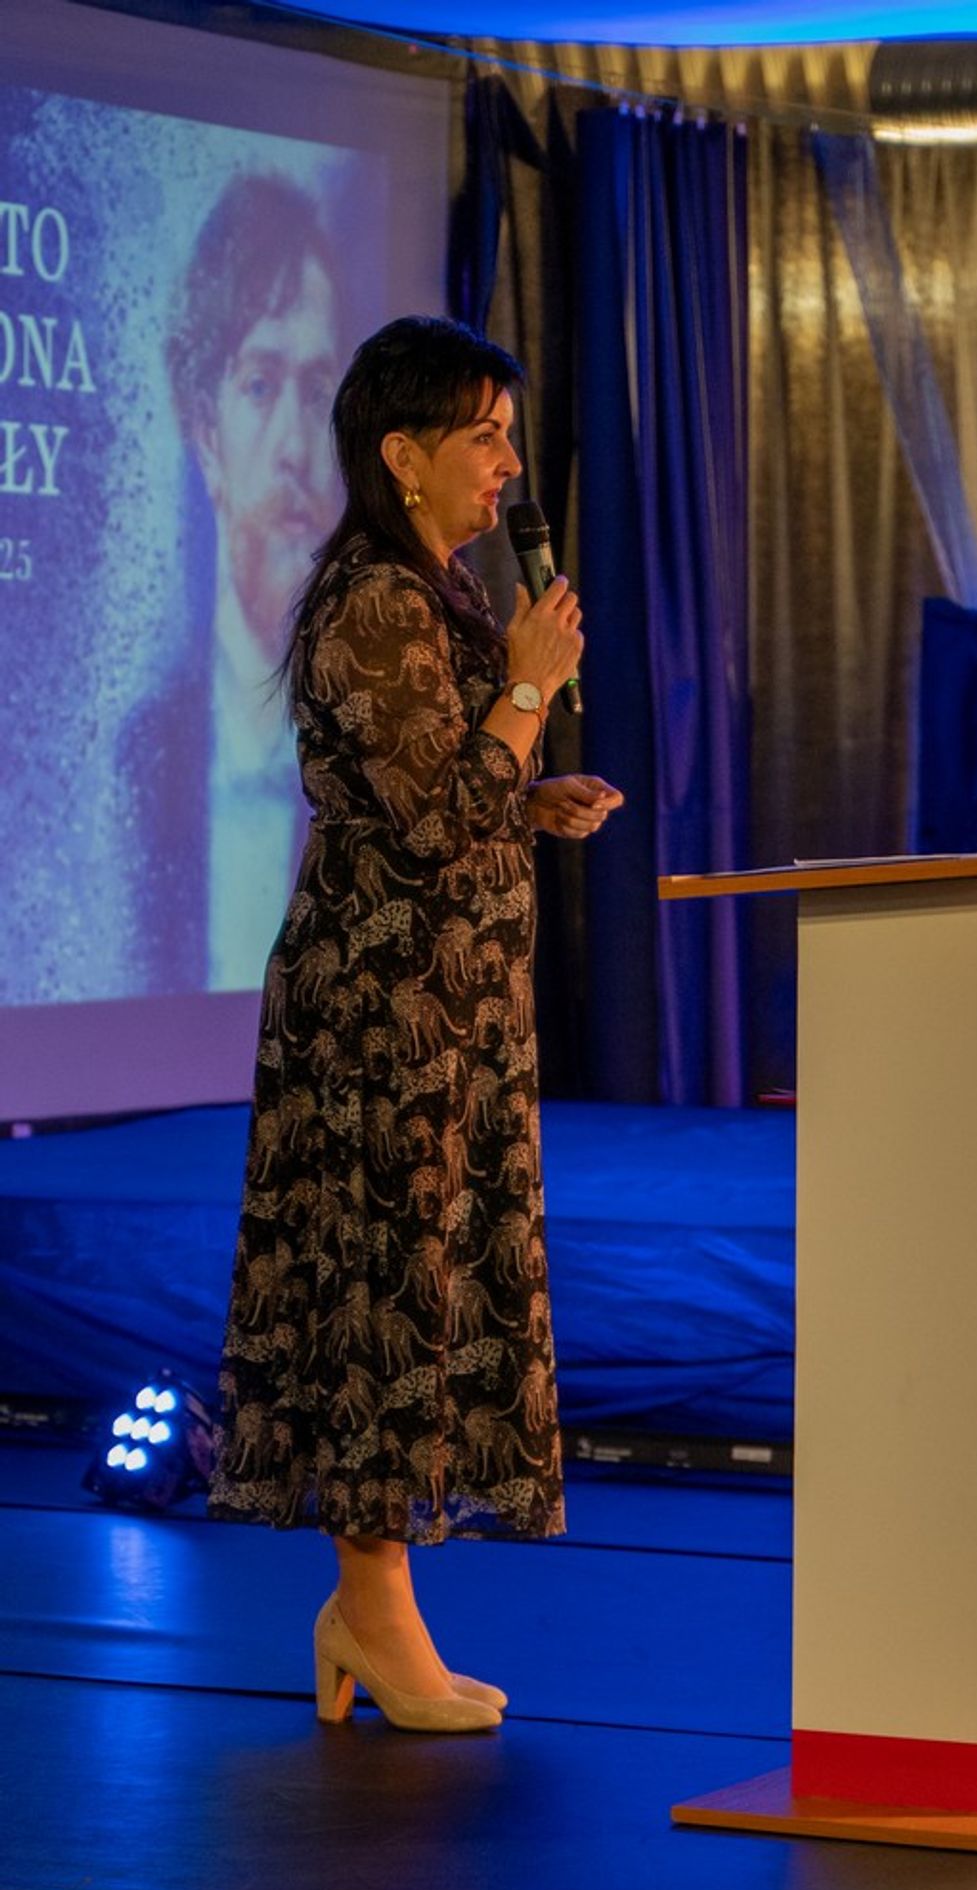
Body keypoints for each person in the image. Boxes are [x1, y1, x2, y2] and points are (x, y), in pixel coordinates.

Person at [207, 314, 622, 1732]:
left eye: (508, 435)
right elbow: (434, 819)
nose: (507, 464)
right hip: (380, 1022)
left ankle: (370, 1615)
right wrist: (526, 689)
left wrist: (528, 793)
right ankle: (370, 1610)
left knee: (431, 1286)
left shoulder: (436, 591)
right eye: (482, 437)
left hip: (451, 1012)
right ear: (402, 454)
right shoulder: (374, 602)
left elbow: (441, 794)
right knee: (380, 1292)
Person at [124, 174, 345, 991]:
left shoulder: (367, 729)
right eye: (259, 384)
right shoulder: (138, 763)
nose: (296, 446)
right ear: (204, 430)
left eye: (317, 393)